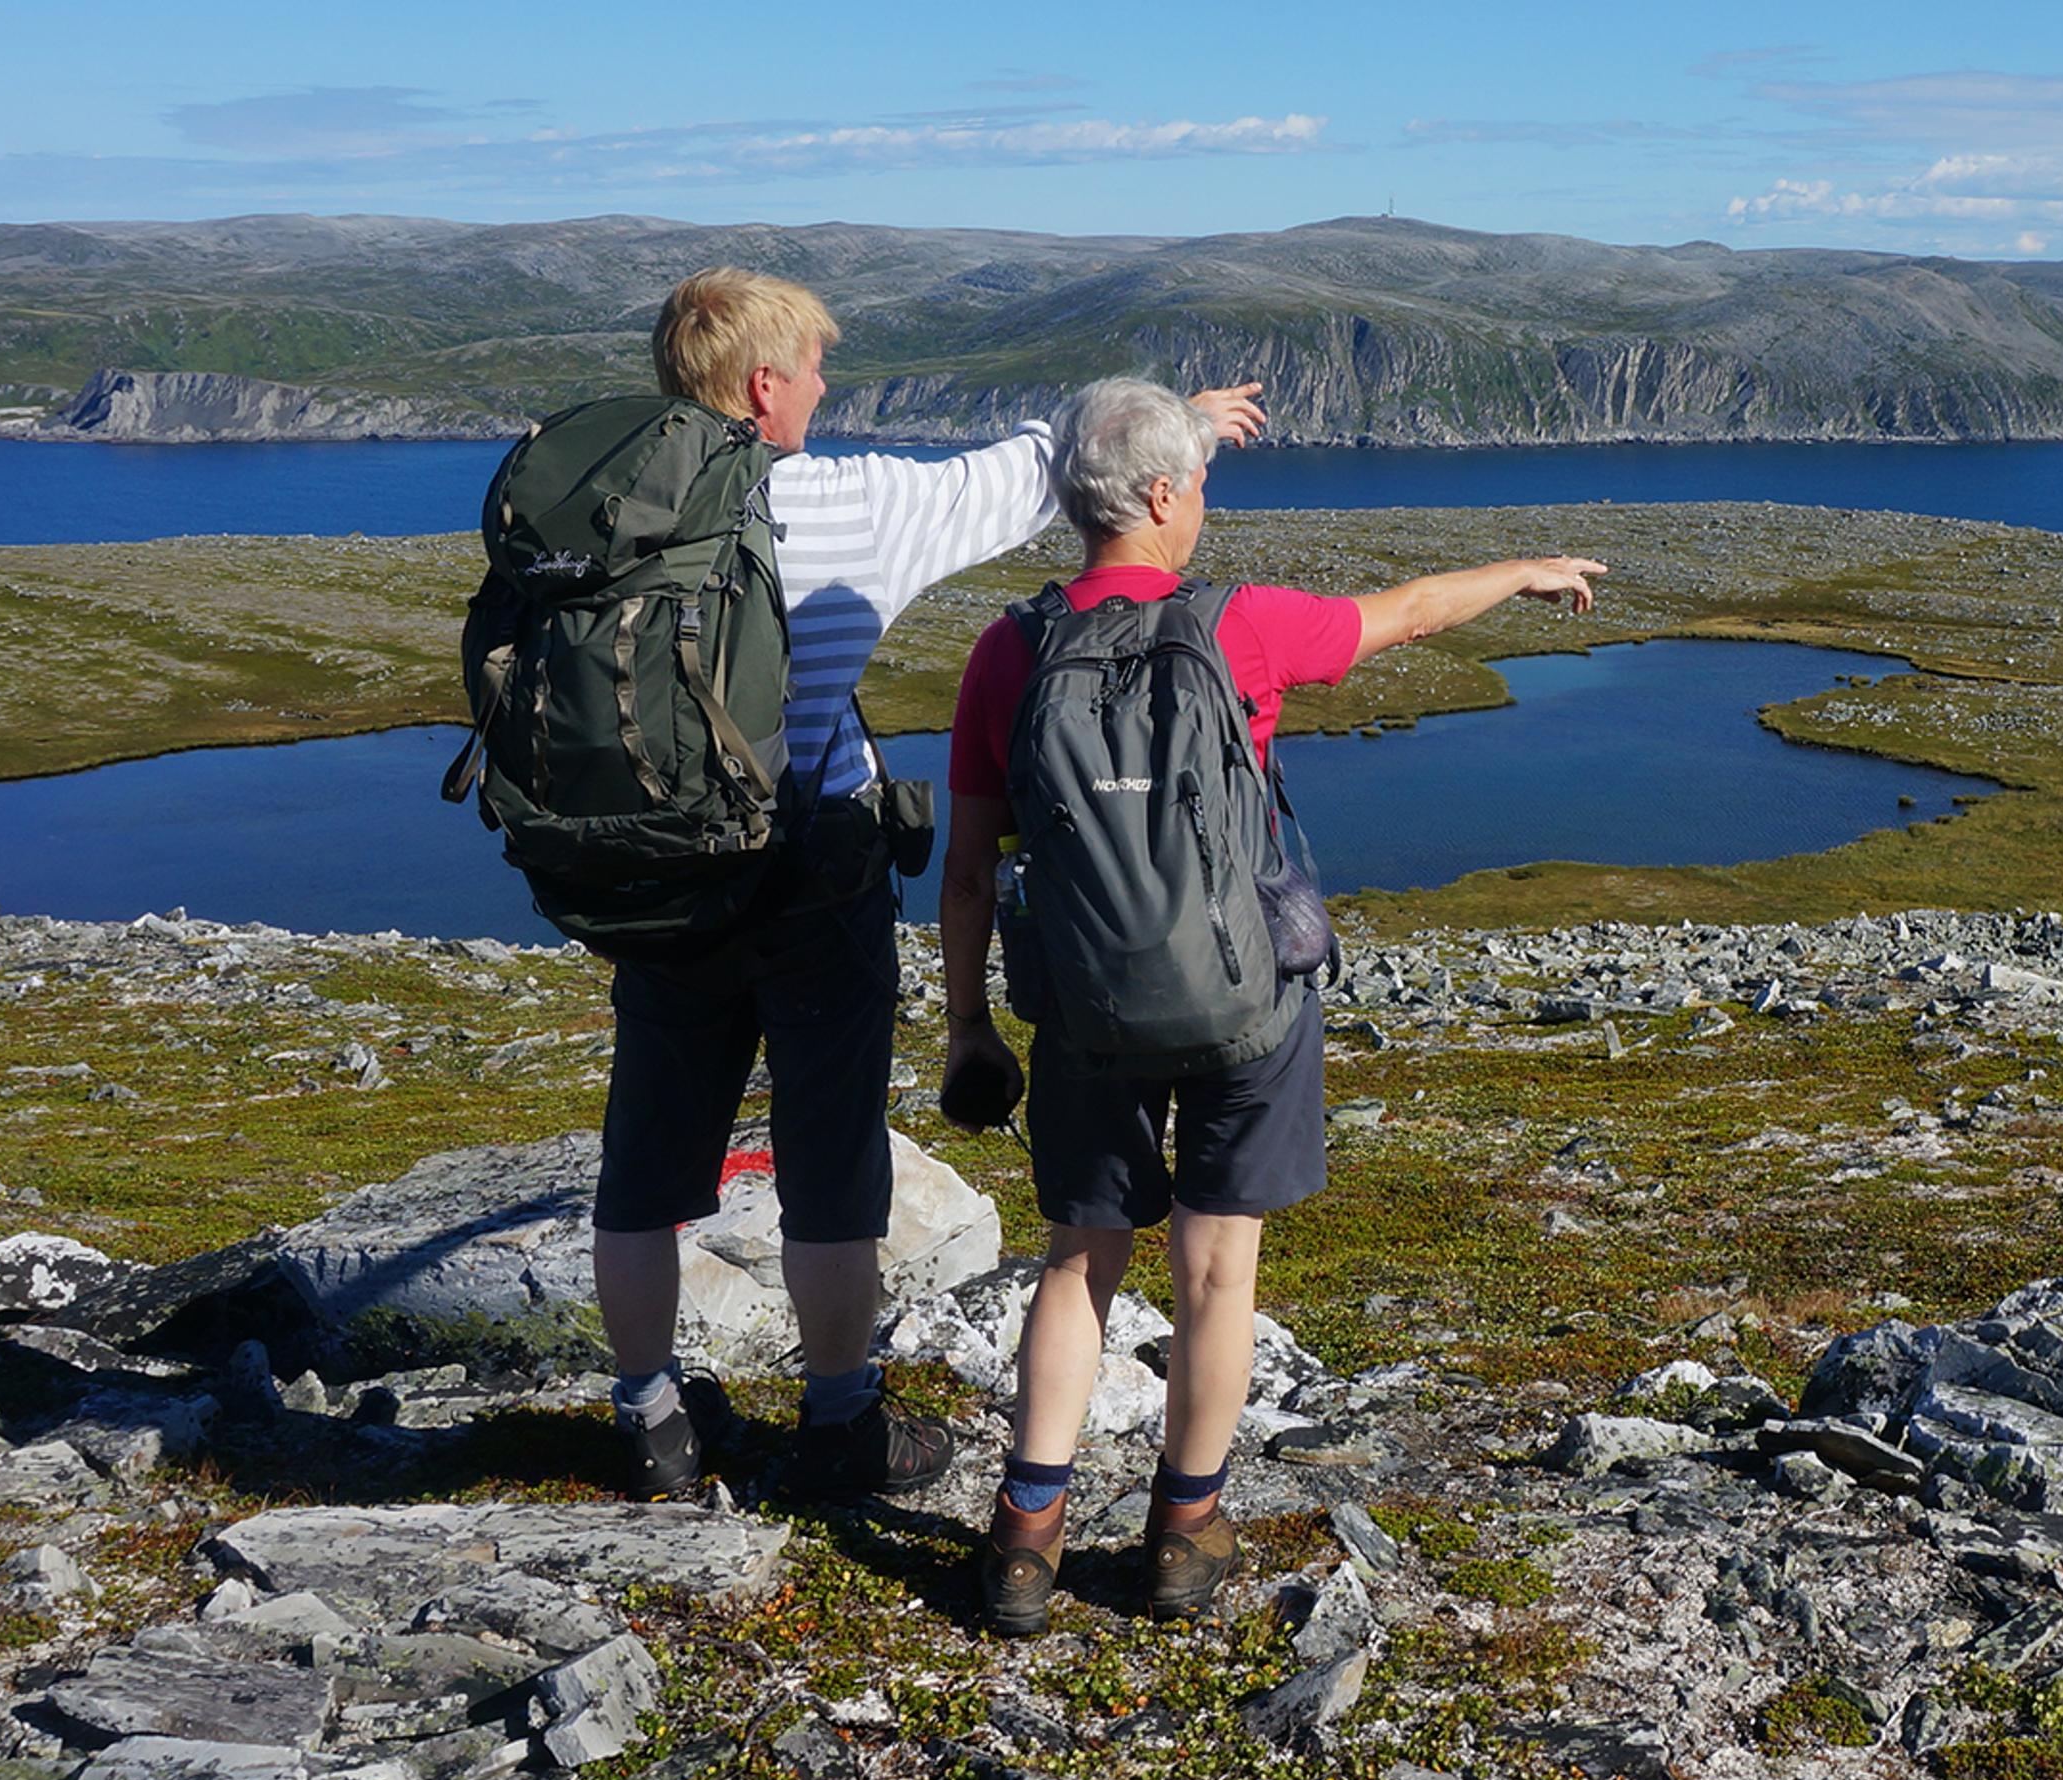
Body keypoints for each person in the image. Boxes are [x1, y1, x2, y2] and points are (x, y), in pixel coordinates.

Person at [936, 375, 1602, 1633]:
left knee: (1080, 1261)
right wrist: (1521, 570)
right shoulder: (1241, 627)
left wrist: (972, 1026)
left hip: (1082, 1011)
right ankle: (1184, 1533)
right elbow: (1400, 615)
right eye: (1195, 486)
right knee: (1217, 1266)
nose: (1203, 508)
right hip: (1245, 1005)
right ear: (1163, 495)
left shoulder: (1008, 651)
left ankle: (1025, 1541)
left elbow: (970, 871)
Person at [592, 270, 1267, 1502]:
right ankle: (841, 1421)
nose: (824, 388)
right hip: (812, 864)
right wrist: (1182, 422)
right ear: (763, 387)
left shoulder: (599, 507)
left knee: (645, 1155)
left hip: (657, 870)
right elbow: (1035, 466)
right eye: (813, 369)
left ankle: (647, 1418)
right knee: (831, 1152)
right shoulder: (849, 505)